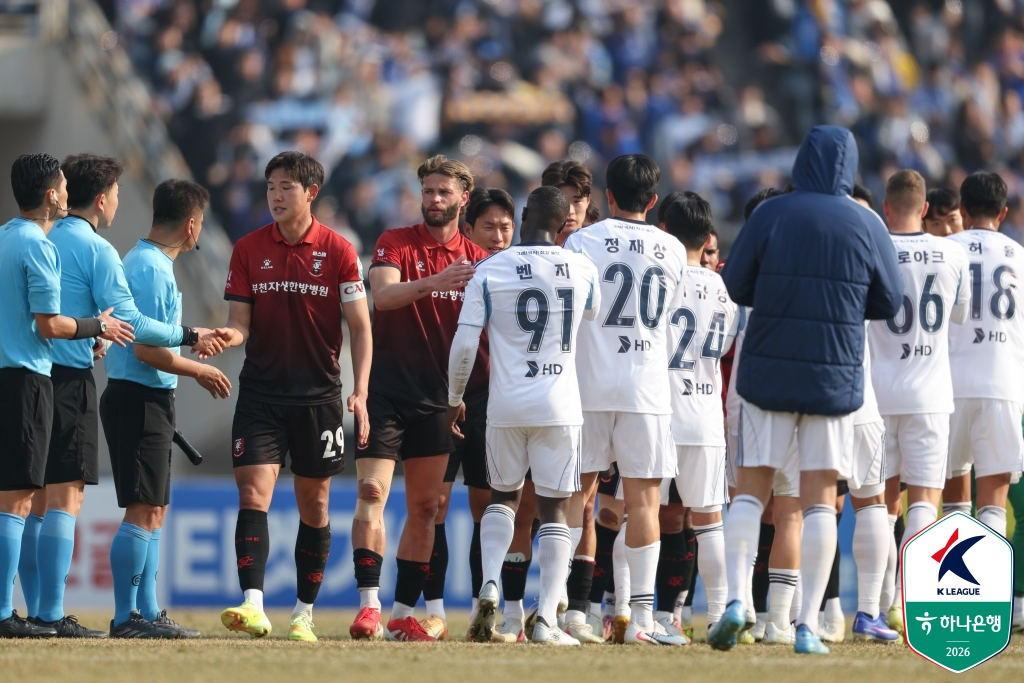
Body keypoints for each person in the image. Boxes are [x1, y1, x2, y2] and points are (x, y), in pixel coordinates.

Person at [712, 126, 903, 655]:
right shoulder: (866, 221)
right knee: (820, 501)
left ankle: (733, 602)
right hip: (833, 376)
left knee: (750, 491)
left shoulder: (772, 213)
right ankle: (806, 625)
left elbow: (735, 285)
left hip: (767, 371)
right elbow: (890, 301)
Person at [22, 155, 220, 638]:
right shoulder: (103, 251)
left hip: (36, 373)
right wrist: (192, 337)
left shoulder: (39, 238)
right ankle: (80, 615)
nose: (115, 201)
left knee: (35, 500)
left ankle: (52, 613)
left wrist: (91, 334)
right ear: (104, 197)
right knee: (68, 499)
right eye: (113, 192)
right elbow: (139, 331)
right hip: (80, 383)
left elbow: (55, 310)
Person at [215, 152, 372, 642]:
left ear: (311, 192)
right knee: (252, 493)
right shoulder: (247, 248)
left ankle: (303, 613)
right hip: (260, 395)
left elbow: (361, 327)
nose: (276, 196)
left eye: (286, 187)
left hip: (319, 398)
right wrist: (224, 337)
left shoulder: (340, 250)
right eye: (270, 187)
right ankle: (253, 604)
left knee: (316, 504)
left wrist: (361, 390)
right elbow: (240, 324)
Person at [450, 185, 601, 645]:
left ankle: (490, 584)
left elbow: (463, 344)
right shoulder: (581, 266)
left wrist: (454, 395)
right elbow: (591, 315)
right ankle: (548, 621)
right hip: (559, 404)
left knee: (503, 497)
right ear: (564, 225)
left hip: (505, 405)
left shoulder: (489, 268)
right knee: (556, 509)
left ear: (524, 215)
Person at [351, 156, 488, 643]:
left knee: (427, 507)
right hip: (387, 393)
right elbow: (382, 298)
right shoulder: (395, 242)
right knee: (372, 494)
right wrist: (435, 282)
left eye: (443, 192)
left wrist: (465, 391)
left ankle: (402, 613)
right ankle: (368, 607)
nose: (433, 200)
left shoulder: (481, 260)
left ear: (462, 198)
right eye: (428, 191)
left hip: (439, 399)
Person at [0, 153, 130, 638]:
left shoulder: (6, 238)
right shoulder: (41, 245)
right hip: (32, 378)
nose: (68, 194)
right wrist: (99, 326)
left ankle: (34, 614)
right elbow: (48, 324)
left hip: (12, 372)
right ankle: (35, 614)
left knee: (22, 496)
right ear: (53, 194)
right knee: (35, 500)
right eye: (62, 186)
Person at [563, 154, 688, 645]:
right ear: (653, 201)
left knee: (578, 497)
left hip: (590, 384)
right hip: (646, 388)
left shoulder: (581, 241)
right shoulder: (673, 249)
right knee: (645, 503)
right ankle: (639, 618)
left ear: (607, 197)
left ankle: (561, 610)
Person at [102, 179, 229, 639]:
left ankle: (148, 612)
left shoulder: (147, 262)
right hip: (138, 397)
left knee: (154, 508)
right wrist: (199, 370)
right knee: (142, 508)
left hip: (148, 398)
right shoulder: (152, 270)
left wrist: (190, 349)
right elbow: (146, 351)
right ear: (192, 227)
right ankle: (125, 617)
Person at [868, 170, 970, 637]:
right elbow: (960, 315)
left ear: (886, 208)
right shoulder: (952, 251)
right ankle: (910, 604)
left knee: (880, 504)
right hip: (930, 392)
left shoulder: (872, 246)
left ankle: (875, 605)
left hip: (877, 391)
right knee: (925, 498)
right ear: (926, 208)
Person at [435, 187, 513, 638]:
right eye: (489, 226)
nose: (500, 235)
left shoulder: (520, 273)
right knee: (436, 505)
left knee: (487, 507)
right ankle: (435, 610)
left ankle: (479, 608)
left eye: (506, 226)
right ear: (468, 230)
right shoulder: (456, 272)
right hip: (444, 397)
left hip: (494, 401)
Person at [661, 194, 740, 642]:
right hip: (706, 412)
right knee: (709, 522)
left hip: (661, 413)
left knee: (644, 514)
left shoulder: (661, 281)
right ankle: (717, 616)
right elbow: (726, 348)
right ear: (708, 237)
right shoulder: (723, 290)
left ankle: (650, 616)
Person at [944, 172, 1024, 539]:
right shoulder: (1020, 257)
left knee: (952, 499)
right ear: (1003, 212)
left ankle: (952, 596)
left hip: (949, 385)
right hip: (1002, 383)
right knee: (994, 501)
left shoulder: (946, 251)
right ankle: (991, 596)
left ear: (962, 208)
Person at [542, 161, 596, 246]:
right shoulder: (533, 252)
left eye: (577, 201)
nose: (570, 211)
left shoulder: (598, 247)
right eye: (561, 202)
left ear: (588, 200)